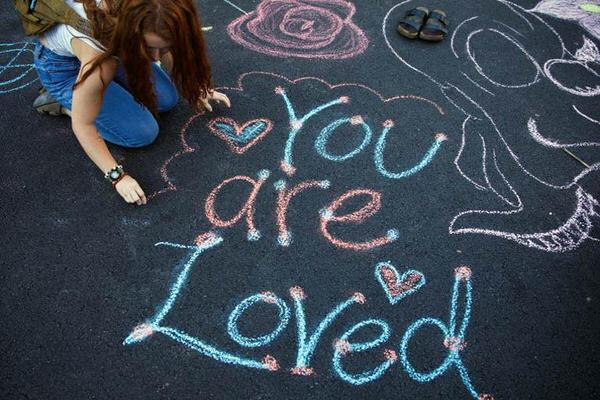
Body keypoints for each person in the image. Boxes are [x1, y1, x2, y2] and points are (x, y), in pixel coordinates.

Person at [32, 0, 230, 206]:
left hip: (117, 51)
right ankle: (64, 102)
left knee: (168, 99)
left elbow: (164, 47)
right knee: (141, 133)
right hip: (65, 71)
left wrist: (195, 89)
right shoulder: (99, 58)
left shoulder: (146, 13)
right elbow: (84, 126)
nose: (154, 58)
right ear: (132, 32)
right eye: (149, 48)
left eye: (161, 48)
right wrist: (117, 177)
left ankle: (106, 92)